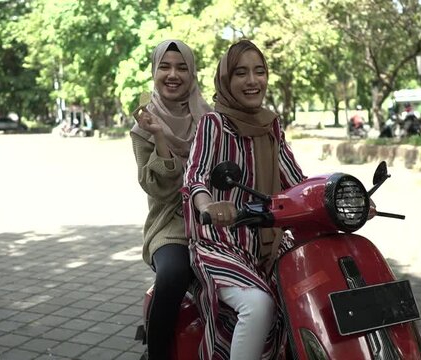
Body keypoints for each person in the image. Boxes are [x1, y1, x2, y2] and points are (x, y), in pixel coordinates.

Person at [183, 40, 306, 360]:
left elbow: (296, 181)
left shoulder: (271, 126)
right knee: (258, 304)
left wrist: (341, 199)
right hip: (220, 243)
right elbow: (195, 176)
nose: (252, 81)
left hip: (269, 242)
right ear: (226, 80)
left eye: (259, 71)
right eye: (241, 73)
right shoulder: (214, 124)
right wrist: (208, 206)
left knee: (310, 289)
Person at [130, 39, 211, 359]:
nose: (173, 74)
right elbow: (160, 190)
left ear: (192, 74)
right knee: (175, 273)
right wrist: (160, 135)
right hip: (171, 224)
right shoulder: (143, 126)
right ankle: (158, 353)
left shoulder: (210, 118)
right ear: (154, 71)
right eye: (165, 66)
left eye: (182, 67)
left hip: (216, 220)